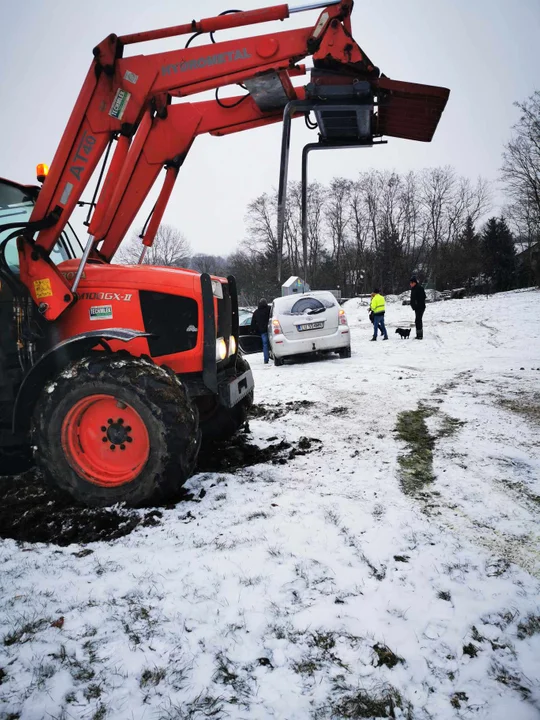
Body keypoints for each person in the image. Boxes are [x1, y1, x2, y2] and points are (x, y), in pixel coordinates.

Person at [251, 298, 271, 363]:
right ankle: (275, 355)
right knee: (273, 343)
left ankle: (266, 359)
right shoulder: (269, 309)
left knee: (265, 345)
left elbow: (253, 323)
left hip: (263, 331)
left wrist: (252, 330)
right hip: (271, 329)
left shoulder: (256, 312)